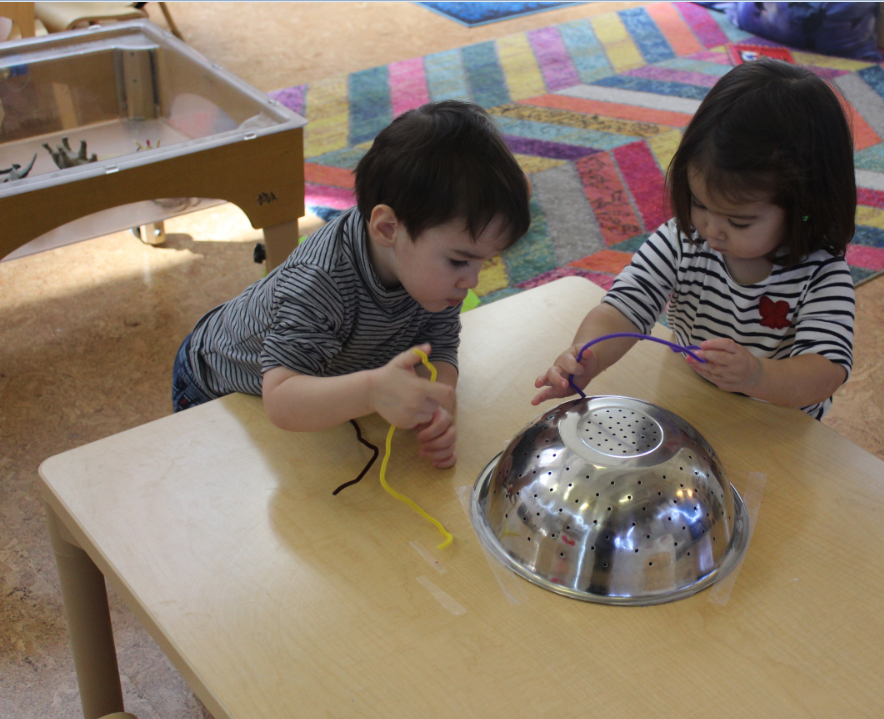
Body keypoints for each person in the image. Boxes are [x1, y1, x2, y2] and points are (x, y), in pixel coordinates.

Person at [173, 100, 531, 467]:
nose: (471, 281)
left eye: (482, 261)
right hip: (219, 385)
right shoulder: (320, 282)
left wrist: (434, 405)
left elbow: (439, 348)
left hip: (320, 379)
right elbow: (281, 400)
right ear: (387, 229)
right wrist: (373, 392)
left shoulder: (429, 276)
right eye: (459, 260)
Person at [533, 58, 856, 420]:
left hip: (778, 422)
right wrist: (586, 355)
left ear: (804, 205)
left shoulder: (822, 274)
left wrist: (757, 375)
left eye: (738, 221)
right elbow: (625, 305)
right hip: (690, 396)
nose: (711, 229)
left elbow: (825, 371)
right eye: (700, 204)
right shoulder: (684, 238)